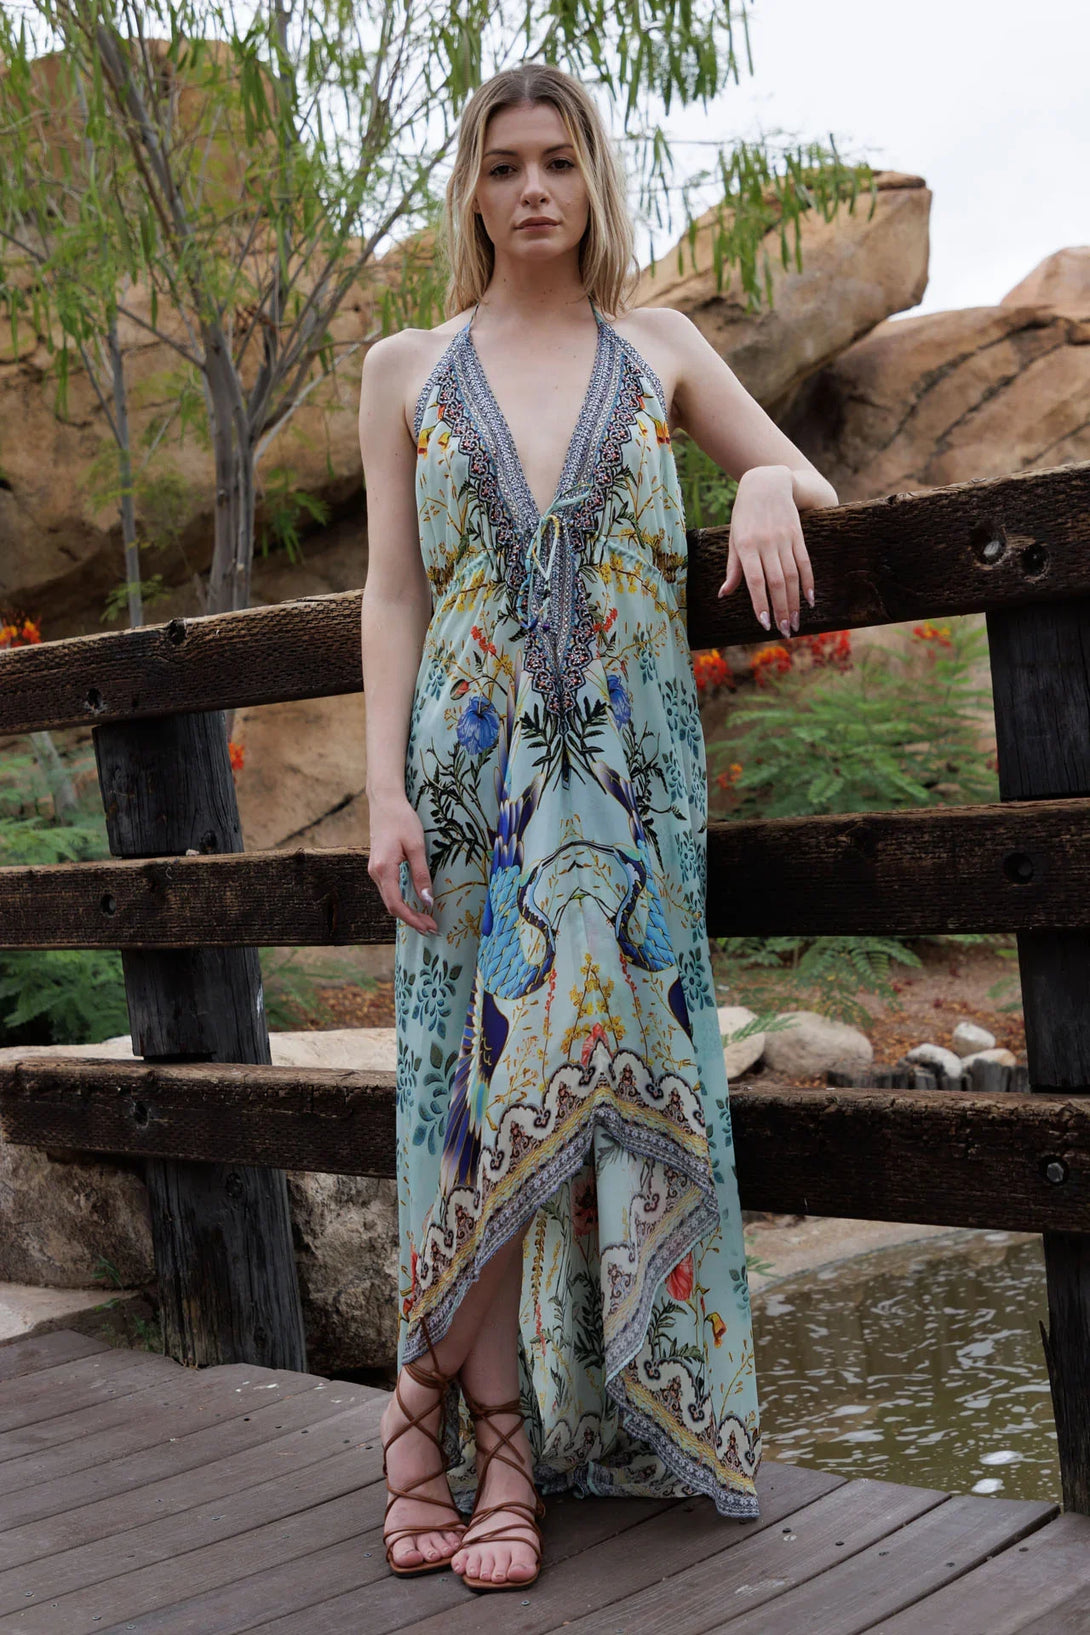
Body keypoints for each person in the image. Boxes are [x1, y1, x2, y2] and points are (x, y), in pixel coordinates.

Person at [357, 61, 839, 1594]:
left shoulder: (661, 346)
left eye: (557, 161)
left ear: (593, 178)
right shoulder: (405, 367)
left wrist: (759, 484)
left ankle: (420, 1404)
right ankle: (492, 1444)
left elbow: (806, 473)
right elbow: (393, 591)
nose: (532, 190)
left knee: (563, 1085)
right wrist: (381, 788)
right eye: (504, 165)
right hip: (464, 781)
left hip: (628, 792)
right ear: (471, 188)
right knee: (476, 1103)